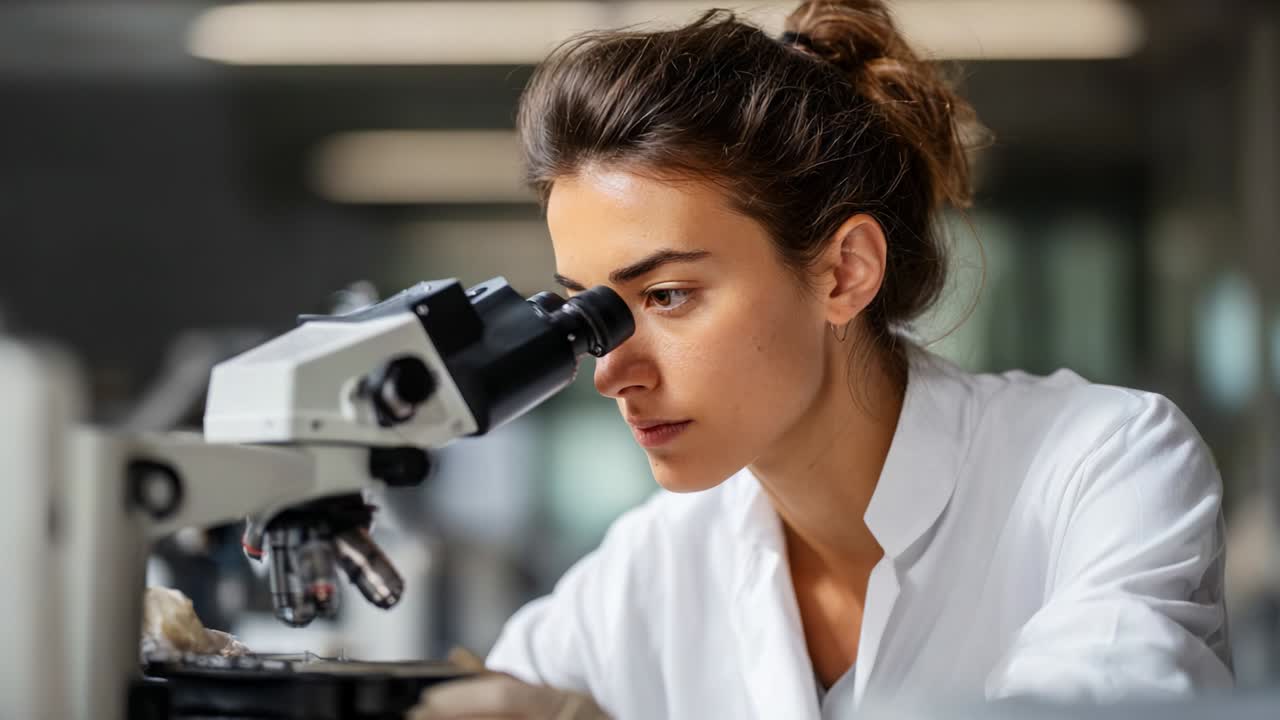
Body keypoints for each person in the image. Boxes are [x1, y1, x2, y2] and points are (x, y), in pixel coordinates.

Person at [406, 0, 1233, 717]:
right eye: (587, 314)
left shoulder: (1103, 466)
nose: (612, 372)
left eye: (666, 296)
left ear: (844, 273)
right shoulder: (655, 564)